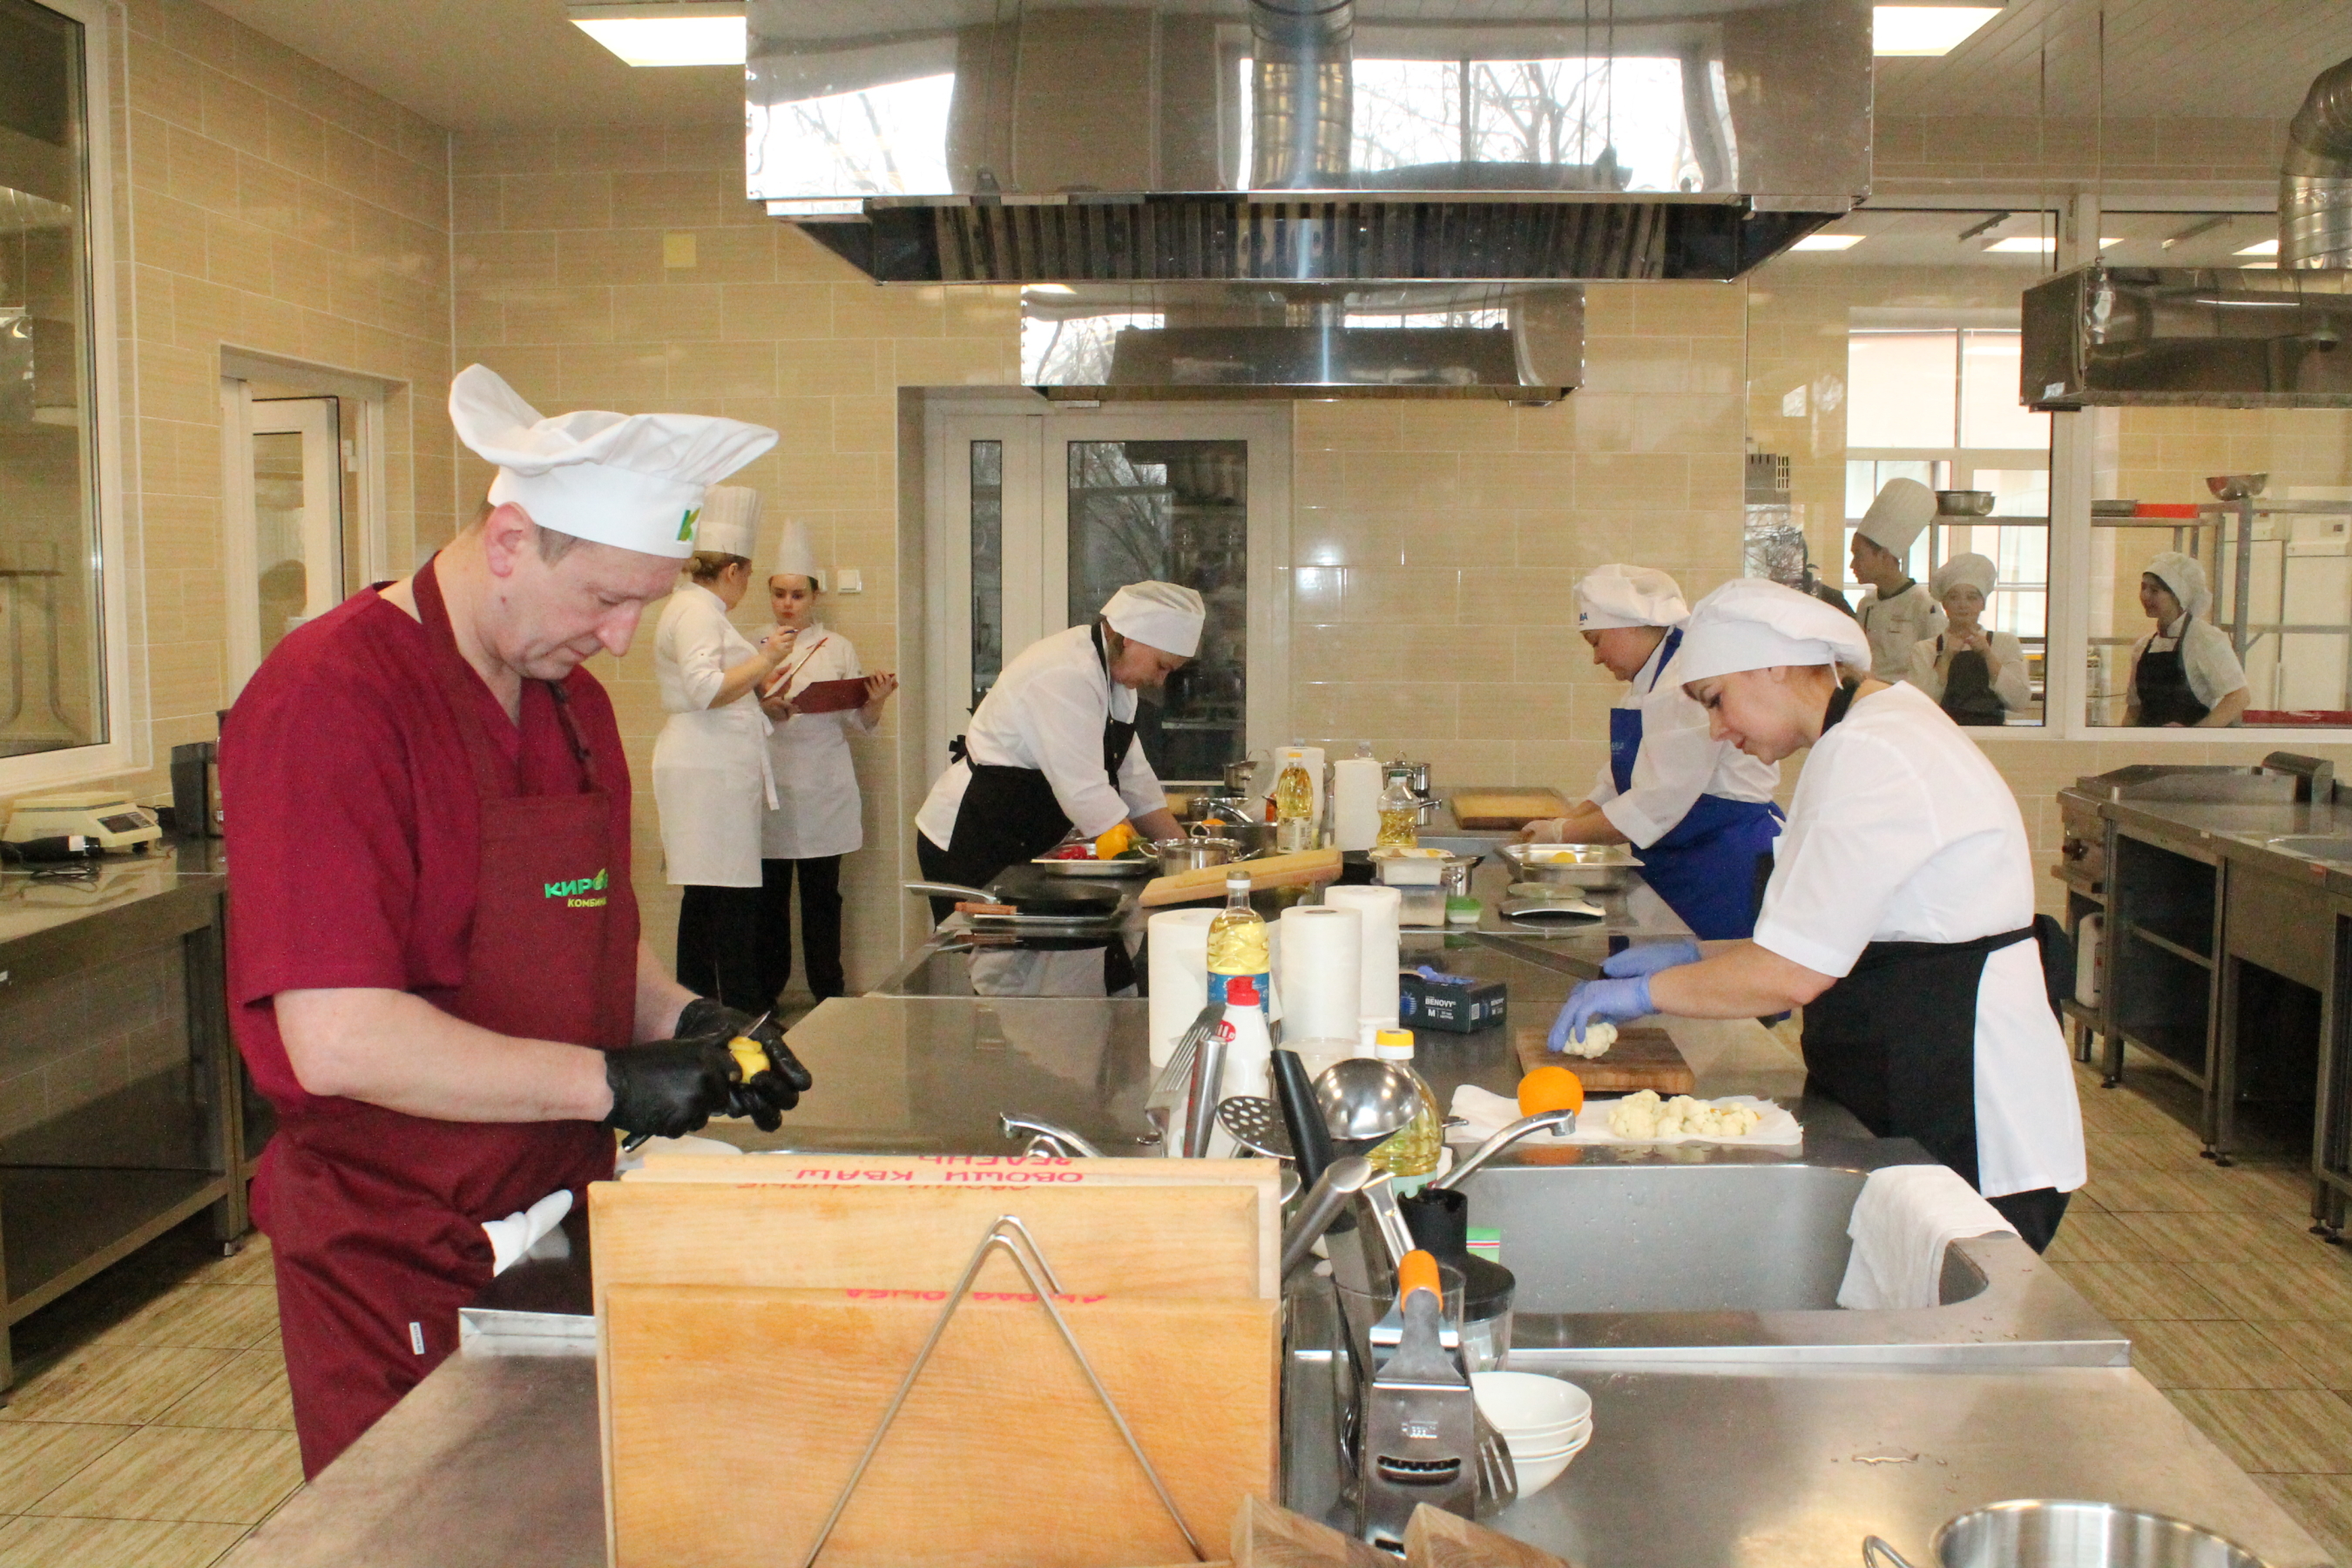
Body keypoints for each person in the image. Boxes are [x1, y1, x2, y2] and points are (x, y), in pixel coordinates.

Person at [220, 365, 812, 1477]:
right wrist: (611, 1082)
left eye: (644, 604)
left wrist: (687, 1017)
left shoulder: (567, 697)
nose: (622, 640)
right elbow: (339, 1037)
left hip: (559, 1216)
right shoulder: (330, 700)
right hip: (400, 1249)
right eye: (604, 600)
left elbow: (585, 927)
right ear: (508, 542)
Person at [1549, 578, 2085, 1251]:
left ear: (1772, 666)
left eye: (1715, 700)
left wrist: (1646, 993)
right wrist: (1699, 956)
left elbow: (1792, 974)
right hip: (1914, 1075)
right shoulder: (1870, 732)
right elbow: (1833, 933)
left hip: (1966, 1104)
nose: (1717, 729)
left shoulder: (1872, 750)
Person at [1517, 564, 1783, 939]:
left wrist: (1563, 834)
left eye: (1596, 641)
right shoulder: (1648, 684)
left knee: (1721, 969)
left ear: (1627, 627)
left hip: (1724, 863)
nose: (1596, 658)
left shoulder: (1685, 682)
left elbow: (1655, 802)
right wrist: (1561, 824)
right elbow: (1619, 782)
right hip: (1679, 859)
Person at [915, 582, 1200, 912]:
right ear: (1130, 638)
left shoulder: (1116, 682)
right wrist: (1144, 863)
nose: (1160, 681)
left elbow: (1135, 781)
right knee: (985, 944)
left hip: (1023, 838)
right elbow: (1084, 792)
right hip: (973, 838)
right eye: (1162, 666)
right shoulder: (1065, 673)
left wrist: (1185, 859)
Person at [651, 485, 795, 1013]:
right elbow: (706, 689)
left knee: (712, 894)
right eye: (749, 575)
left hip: (713, 766)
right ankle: (732, 1011)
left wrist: (762, 701)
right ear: (733, 570)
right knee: (725, 896)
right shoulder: (696, 612)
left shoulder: (699, 609)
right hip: (706, 768)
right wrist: (767, 659)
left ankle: (710, 1008)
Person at [756, 517, 896, 1003]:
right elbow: (731, 712)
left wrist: (875, 699)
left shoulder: (837, 648)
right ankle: (767, 997)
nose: (787, 604)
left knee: (822, 899)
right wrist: (764, 706)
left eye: (797, 595)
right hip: (770, 789)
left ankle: (828, 995)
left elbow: (859, 721)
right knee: (769, 901)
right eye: (779, 594)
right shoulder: (752, 645)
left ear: (814, 596)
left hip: (823, 788)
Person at [2123, 551, 2247, 728]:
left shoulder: (2204, 638)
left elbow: (2239, 697)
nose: (2145, 596)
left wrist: (2193, 735)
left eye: (2154, 590)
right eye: (2143, 587)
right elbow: (2134, 710)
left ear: (2177, 595)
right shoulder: (2143, 646)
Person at [1906, 552, 2031, 726]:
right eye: (1953, 597)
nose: (1963, 604)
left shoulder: (2005, 643)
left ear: (1983, 603)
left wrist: (1988, 655)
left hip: (1994, 735)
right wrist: (1946, 658)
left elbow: (2020, 702)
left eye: (1972, 597)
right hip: (1943, 733)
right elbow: (1918, 706)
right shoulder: (1925, 649)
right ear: (1944, 604)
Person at [1849, 477, 1945, 681]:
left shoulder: (1924, 605)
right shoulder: (1866, 605)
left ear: (1884, 555)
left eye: (1859, 555)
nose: (1852, 565)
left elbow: (1937, 668)